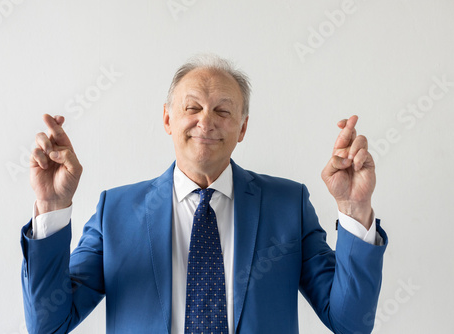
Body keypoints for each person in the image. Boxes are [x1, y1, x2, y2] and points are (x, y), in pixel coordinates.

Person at [21, 54, 387, 334]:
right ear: (168, 119)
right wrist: (52, 207)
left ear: (242, 128)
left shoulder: (287, 205)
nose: (206, 121)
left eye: (223, 110)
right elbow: (48, 324)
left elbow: (350, 323)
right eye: (192, 107)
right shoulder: (115, 211)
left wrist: (355, 207)